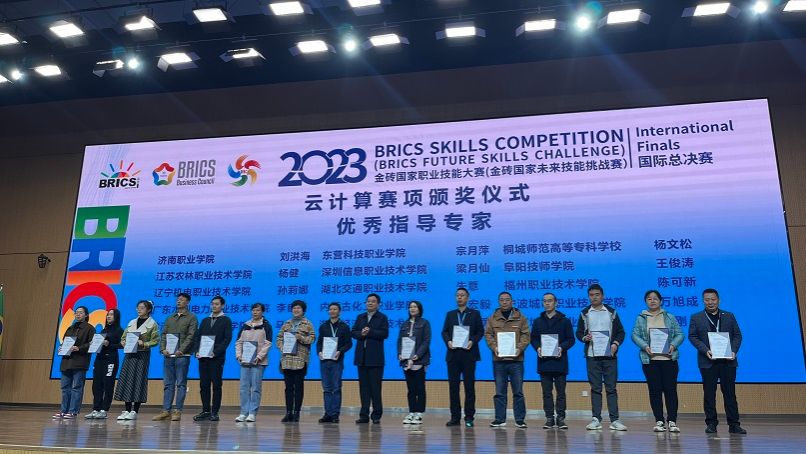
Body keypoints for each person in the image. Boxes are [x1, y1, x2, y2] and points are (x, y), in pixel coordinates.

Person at [688, 288, 746, 434]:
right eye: (707, 299)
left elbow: (737, 335)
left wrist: (734, 351)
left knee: (730, 394)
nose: (710, 302)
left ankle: (734, 424)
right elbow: (692, 336)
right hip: (708, 361)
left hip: (728, 361)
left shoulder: (729, 316)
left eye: (713, 299)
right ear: (703, 301)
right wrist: (705, 350)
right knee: (709, 394)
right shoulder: (696, 317)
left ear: (718, 300)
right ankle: (711, 423)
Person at [630, 290, 685, 433]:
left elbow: (680, 334)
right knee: (655, 391)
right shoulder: (641, 318)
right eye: (649, 299)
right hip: (650, 360)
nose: (652, 301)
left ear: (660, 301)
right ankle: (659, 421)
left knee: (670, 390)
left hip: (669, 359)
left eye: (655, 298)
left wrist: (673, 345)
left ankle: (672, 421)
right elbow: (634, 335)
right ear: (646, 301)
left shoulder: (669, 317)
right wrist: (645, 346)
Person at [576, 283, 627, 431]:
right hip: (592, 356)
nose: (594, 297)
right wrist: (585, 338)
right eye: (591, 295)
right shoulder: (584, 313)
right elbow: (579, 332)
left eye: (597, 294)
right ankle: (596, 419)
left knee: (611, 388)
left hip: (609, 356)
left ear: (603, 296)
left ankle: (615, 420)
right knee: (595, 388)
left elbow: (621, 332)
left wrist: (615, 344)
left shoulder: (611, 312)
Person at [484, 291, 530, 428]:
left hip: (516, 361)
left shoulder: (521, 317)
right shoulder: (492, 318)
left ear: (512, 301)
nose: (504, 302)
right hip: (499, 361)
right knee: (499, 392)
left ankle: (519, 419)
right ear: (499, 302)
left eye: (507, 299)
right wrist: (494, 347)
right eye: (502, 300)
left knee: (518, 392)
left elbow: (526, 335)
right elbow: (488, 335)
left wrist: (519, 348)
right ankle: (499, 419)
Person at [530, 292, 575, 430]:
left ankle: (561, 418)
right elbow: (533, 339)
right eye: (544, 301)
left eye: (550, 301)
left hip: (560, 361)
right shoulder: (538, 321)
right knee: (546, 393)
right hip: (544, 362)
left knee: (561, 393)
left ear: (556, 302)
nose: (547, 303)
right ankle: (549, 418)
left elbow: (571, 339)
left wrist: (561, 347)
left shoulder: (565, 321)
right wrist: (537, 348)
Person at [441, 287, 484, 427]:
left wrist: (472, 341)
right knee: (453, 387)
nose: (459, 297)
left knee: (469, 387)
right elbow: (444, 332)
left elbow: (480, 332)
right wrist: (448, 341)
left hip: (469, 354)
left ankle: (469, 417)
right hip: (453, 355)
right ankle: (455, 417)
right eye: (457, 295)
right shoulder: (450, 314)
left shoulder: (475, 314)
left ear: (468, 297)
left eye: (462, 295)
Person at [153, 293, 198, 422]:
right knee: (168, 384)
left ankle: (177, 411)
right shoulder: (170, 317)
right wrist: (163, 349)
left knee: (181, 384)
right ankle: (166, 411)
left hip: (182, 356)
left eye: (182, 300)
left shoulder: (192, 317)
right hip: (168, 356)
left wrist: (181, 350)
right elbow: (164, 334)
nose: (179, 301)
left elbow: (191, 336)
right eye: (178, 299)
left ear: (187, 302)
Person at [115, 300, 160, 420]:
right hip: (130, 354)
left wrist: (144, 343)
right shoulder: (132, 322)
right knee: (127, 380)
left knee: (138, 380)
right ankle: (127, 409)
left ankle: (135, 410)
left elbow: (155, 341)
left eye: (142, 308)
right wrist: (123, 342)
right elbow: (123, 337)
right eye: (138, 307)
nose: (139, 310)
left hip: (142, 355)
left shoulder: (152, 324)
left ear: (148, 310)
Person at [193, 295, 233, 422]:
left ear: (222, 306)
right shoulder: (205, 320)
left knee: (216, 385)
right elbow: (198, 337)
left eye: (217, 304)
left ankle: (215, 412)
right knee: (204, 385)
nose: (214, 306)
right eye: (212, 304)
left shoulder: (226, 320)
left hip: (216, 358)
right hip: (203, 358)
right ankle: (206, 410)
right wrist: (197, 351)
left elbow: (227, 339)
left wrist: (215, 352)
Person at [352, 293, 389, 424]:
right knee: (364, 388)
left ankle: (376, 415)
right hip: (361, 358)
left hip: (375, 359)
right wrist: (361, 333)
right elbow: (353, 332)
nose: (370, 303)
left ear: (378, 304)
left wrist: (370, 332)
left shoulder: (382, 317)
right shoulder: (360, 317)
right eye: (368, 301)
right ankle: (364, 415)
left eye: (373, 301)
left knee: (375, 388)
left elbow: (384, 334)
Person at [276, 300, 315, 423]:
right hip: (287, 360)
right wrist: (282, 347)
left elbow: (312, 339)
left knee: (298, 387)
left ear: (303, 310)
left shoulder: (307, 323)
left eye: (298, 308)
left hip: (300, 360)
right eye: (294, 308)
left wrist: (301, 338)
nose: (296, 310)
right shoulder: (286, 323)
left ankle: (297, 412)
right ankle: (288, 412)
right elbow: (279, 338)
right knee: (288, 388)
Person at [54, 306, 95, 419]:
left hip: (80, 361)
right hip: (67, 361)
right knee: (65, 387)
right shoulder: (70, 328)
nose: (78, 314)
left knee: (77, 387)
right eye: (76, 312)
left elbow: (92, 344)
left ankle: (73, 411)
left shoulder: (90, 328)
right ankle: (64, 410)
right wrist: (61, 347)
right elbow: (64, 342)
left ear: (86, 315)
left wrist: (79, 348)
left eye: (80, 312)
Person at [234, 303, 272, 422]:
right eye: (253, 310)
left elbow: (268, 343)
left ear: (262, 312)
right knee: (243, 387)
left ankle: (252, 413)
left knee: (255, 387)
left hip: (258, 362)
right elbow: (238, 342)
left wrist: (259, 357)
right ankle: (243, 412)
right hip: (245, 361)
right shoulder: (245, 325)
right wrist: (239, 355)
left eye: (258, 310)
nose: (255, 312)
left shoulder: (266, 325)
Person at [316, 302, 353, 423]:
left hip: (337, 361)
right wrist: (319, 352)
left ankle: (335, 414)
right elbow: (319, 343)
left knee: (336, 388)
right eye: (330, 309)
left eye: (335, 309)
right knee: (326, 388)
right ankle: (327, 413)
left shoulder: (344, 327)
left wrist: (340, 351)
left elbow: (349, 344)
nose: (332, 311)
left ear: (339, 312)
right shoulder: (323, 326)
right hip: (324, 361)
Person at [85, 309, 123, 419]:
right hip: (99, 359)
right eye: (108, 314)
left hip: (111, 359)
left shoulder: (119, 330)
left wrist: (108, 344)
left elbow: (121, 345)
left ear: (116, 317)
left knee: (108, 384)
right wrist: (93, 344)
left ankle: (104, 410)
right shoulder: (103, 330)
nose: (108, 316)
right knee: (96, 384)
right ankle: (96, 408)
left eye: (111, 315)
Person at [398, 301, 431, 425]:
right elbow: (400, 341)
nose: (412, 309)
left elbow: (426, 341)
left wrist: (418, 355)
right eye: (410, 307)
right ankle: (411, 411)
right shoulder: (404, 324)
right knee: (411, 388)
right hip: (406, 360)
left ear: (419, 309)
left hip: (420, 360)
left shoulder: (425, 323)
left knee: (420, 387)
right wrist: (399, 353)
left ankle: (419, 413)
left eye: (415, 307)